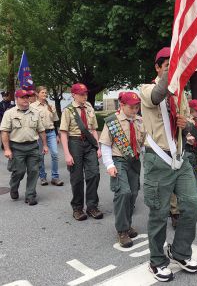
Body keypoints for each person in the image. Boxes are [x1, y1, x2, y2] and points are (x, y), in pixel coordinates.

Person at [140, 47, 197, 282]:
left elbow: (183, 123)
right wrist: (173, 68)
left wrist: (185, 124)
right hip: (158, 159)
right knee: (159, 213)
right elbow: (157, 95)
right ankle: (156, 261)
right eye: (164, 63)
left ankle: (180, 251)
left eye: (172, 63)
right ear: (157, 67)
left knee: (192, 205)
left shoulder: (181, 93)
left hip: (179, 157)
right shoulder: (145, 88)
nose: (169, 65)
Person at [99, 92, 144, 248]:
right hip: (118, 161)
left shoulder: (139, 121)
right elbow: (105, 145)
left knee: (133, 194)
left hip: (134, 161)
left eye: (137, 106)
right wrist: (109, 165)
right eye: (131, 107)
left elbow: (143, 143)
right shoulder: (113, 122)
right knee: (123, 193)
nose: (135, 110)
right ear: (122, 105)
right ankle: (122, 230)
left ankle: (128, 224)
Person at [59, 83, 103, 221]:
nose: (85, 96)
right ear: (73, 95)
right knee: (77, 178)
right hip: (75, 143)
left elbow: (94, 129)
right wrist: (66, 153)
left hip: (89, 144)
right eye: (81, 94)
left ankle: (92, 206)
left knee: (94, 174)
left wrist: (98, 147)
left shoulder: (89, 107)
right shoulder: (68, 110)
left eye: (85, 93)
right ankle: (77, 208)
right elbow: (64, 133)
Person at [0, 89, 48, 205]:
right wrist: (7, 149)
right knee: (19, 171)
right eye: (23, 98)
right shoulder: (9, 113)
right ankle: (14, 187)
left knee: (34, 171)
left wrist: (45, 145)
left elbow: (41, 130)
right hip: (16, 147)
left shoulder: (35, 112)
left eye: (27, 97)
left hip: (32, 146)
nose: (26, 100)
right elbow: (5, 132)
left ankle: (30, 195)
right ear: (17, 99)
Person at [31, 86, 64, 186]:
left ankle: (55, 177)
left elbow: (55, 122)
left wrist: (57, 135)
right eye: (42, 92)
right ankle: (42, 177)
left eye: (46, 93)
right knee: (40, 156)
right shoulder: (32, 106)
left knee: (54, 154)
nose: (45, 94)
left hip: (51, 133)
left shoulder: (51, 106)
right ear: (37, 94)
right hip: (39, 134)